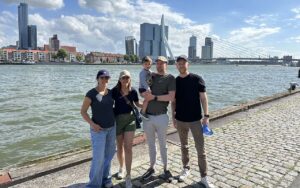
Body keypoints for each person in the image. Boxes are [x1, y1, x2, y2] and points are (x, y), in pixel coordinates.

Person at [171, 55, 214, 188]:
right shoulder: (175, 81)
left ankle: (204, 177)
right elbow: (173, 102)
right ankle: (186, 169)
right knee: (184, 147)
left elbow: (203, 98)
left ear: (187, 64)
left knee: (200, 150)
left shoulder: (197, 79)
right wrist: (173, 117)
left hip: (195, 120)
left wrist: (206, 116)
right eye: (179, 64)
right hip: (180, 120)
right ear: (176, 66)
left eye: (183, 63)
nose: (181, 65)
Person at [142, 56, 176, 181]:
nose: (160, 65)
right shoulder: (151, 76)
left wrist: (154, 97)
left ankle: (166, 169)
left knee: (163, 144)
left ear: (167, 64)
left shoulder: (170, 78)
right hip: (148, 117)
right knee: (150, 144)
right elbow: (142, 88)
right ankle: (152, 167)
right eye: (158, 63)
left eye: (162, 63)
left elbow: (171, 97)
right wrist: (143, 94)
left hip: (162, 116)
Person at [80, 69, 116, 188]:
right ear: (97, 79)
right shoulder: (91, 93)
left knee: (109, 155)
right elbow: (83, 112)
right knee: (98, 158)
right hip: (98, 130)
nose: (105, 80)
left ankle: (106, 179)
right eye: (102, 77)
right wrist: (92, 124)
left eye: (107, 78)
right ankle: (94, 185)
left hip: (111, 128)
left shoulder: (111, 92)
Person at [112, 70, 142, 188]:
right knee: (119, 146)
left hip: (130, 119)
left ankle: (128, 176)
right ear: (119, 79)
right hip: (118, 120)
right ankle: (121, 168)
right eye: (123, 78)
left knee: (128, 147)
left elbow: (137, 104)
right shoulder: (114, 91)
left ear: (130, 79)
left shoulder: (133, 91)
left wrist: (148, 102)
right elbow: (108, 103)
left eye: (127, 78)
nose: (125, 80)